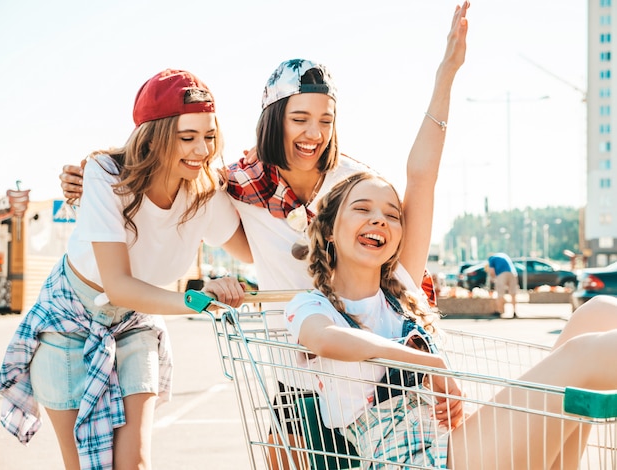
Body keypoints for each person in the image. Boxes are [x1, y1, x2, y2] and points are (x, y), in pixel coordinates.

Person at [57, 4, 468, 466]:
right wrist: (90, 178)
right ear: (274, 116)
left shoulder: (354, 186)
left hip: (368, 363)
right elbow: (171, 156)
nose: (314, 133)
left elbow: (415, 196)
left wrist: (446, 76)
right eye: (300, 118)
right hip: (297, 366)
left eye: (326, 120)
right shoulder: (236, 184)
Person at [0, 69, 251, 470]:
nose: (202, 150)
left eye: (209, 136)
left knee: (134, 464)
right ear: (154, 136)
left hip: (133, 324)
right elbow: (117, 285)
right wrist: (199, 300)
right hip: (68, 324)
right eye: (188, 138)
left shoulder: (205, 192)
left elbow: (254, 251)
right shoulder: (105, 173)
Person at [285, 171, 617, 469]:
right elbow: (325, 338)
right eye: (362, 209)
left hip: (455, 446)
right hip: (415, 460)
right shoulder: (312, 307)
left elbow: (422, 176)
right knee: (583, 355)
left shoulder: (399, 300)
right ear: (328, 229)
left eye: (391, 214)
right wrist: (428, 362)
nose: (379, 220)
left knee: (598, 312)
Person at [487, 251, 518, 317]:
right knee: (513, 293)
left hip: (502, 274)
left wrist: (493, 278)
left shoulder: (492, 259)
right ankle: (514, 311)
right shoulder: (504, 255)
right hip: (513, 273)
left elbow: (492, 271)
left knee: (500, 293)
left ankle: (499, 311)